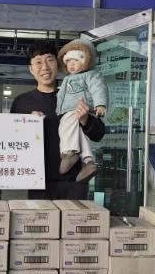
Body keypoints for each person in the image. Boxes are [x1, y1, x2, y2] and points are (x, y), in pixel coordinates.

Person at [10, 41, 105, 200]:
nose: (45, 67)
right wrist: (27, 125)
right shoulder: (22, 102)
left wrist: (85, 119)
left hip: (74, 182)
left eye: (50, 60)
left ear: (58, 64)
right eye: (38, 62)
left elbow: (99, 133)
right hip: (38, 182)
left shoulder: (76, 94)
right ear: (31, 69)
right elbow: (13, 141)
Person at [56, 39, 108, 183]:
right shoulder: (68, 78)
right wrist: (58, 110)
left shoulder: (91, 74)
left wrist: (100, 104)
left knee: (65, 125)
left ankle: (70, 152)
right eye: (68, 61)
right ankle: (88, 162)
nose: (71, 64)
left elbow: (98, 88)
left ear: (86, 61)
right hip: (71, 109)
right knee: (80, 133)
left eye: (76, 60)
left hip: (77, 107)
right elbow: (61, 96)